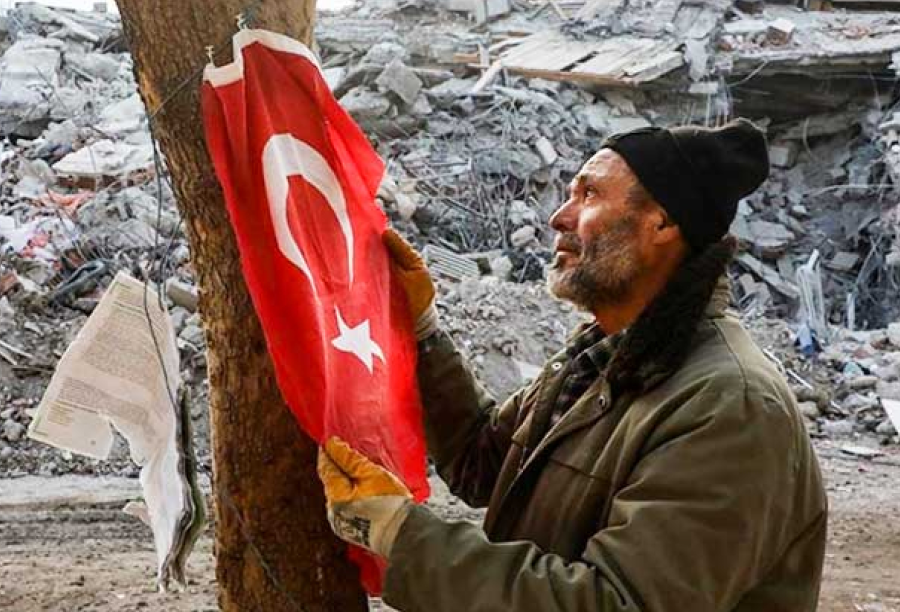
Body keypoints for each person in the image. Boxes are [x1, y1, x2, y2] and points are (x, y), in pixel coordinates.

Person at [317, 120, 828, 611]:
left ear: (664, 223)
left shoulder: (728, 406)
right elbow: (483, 463)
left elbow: (614, 603)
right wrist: (422, 329)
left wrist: (401, 536)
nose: (558, 217)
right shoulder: (605, 357)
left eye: (589, 195)